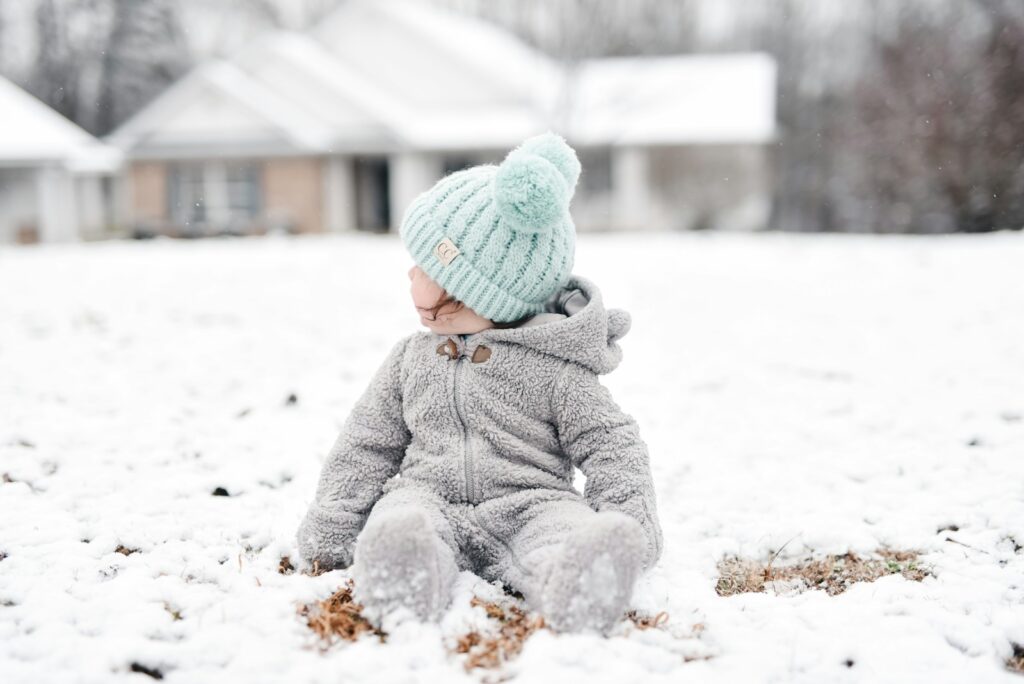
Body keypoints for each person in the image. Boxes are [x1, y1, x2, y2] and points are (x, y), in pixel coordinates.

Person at [295, 131, 663, 633]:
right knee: (402, 521)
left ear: (476, 291)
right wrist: (335, 523)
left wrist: (632, 524)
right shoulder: (409, 360)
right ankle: (404, 574)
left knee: (562, 532)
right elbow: (367, 442)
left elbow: (610, 444)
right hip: (429, 494)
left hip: (532, 501)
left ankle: (580, 579)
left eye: (426, 266)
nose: (410, 275)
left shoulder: (553, 368)